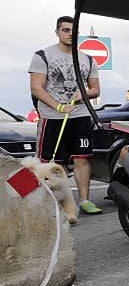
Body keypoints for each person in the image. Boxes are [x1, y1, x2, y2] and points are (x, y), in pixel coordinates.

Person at [28, 16, 103, 216]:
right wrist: (59, 107)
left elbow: (95, 89)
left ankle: (85, 201)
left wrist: (85, 94)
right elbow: (36, 87)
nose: (70, 34)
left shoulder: (87, 59)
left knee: (81, 159)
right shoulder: (43, 55)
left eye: (74, 30)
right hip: (53, 117)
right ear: (57, 32)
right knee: (51, 162)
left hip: (80, 115)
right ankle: (50, 202)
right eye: (66, 30)